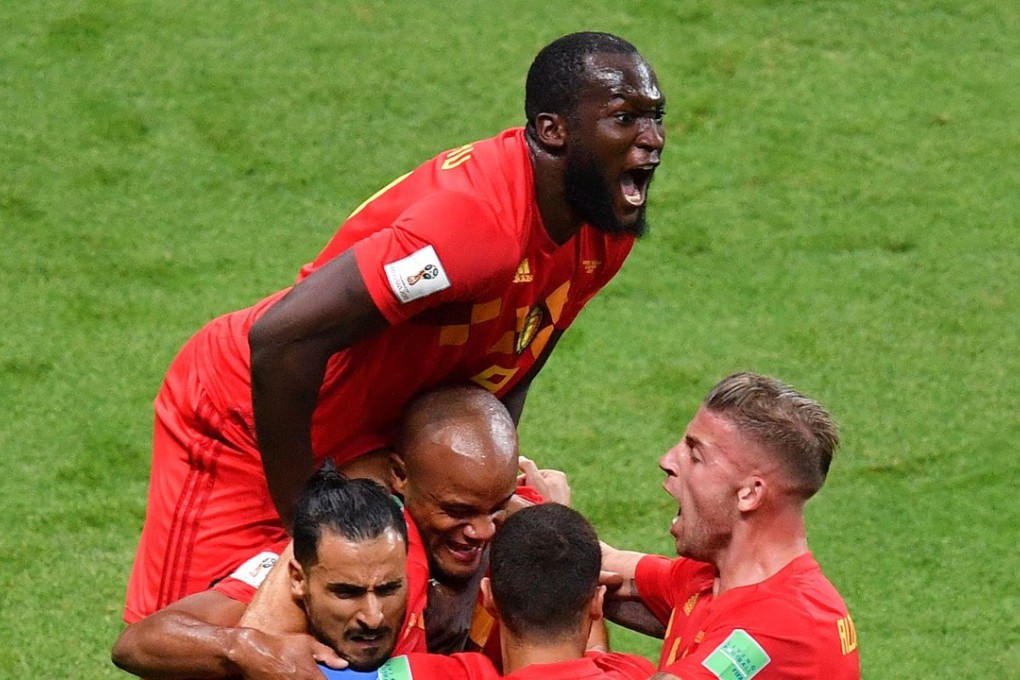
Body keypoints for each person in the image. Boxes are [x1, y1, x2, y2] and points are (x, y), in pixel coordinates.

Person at [125, 30, 666, 624]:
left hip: (380, 435)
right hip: (251, 421)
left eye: (656, 118)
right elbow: (281, 339)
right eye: (624, 118)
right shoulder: (474, 229)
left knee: (505, 584)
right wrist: (311, 528)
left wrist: (476, 532)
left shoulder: (601, 230)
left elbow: (512, 362)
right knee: (192, 642)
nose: (653, 140)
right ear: (552, 130)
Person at [601, 372, 861, 679]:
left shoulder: (786, 625)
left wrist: (592, 656)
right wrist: (543, 518)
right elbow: (594, 567)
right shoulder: (709, 577)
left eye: (695, 456)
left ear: (749, 494)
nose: (668, 460)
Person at [112, 463, 411, 679]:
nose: (373, 617)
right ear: (297, 579)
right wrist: (248, 649)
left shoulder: (428, 568)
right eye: (346, 592)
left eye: (388, 590)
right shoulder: (272, 579)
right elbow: (135, 644)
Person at [321, 503, 656, 680]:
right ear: (596, 601)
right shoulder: (638, 673)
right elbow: (594, 654)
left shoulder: (428, 674)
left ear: (489, 596)